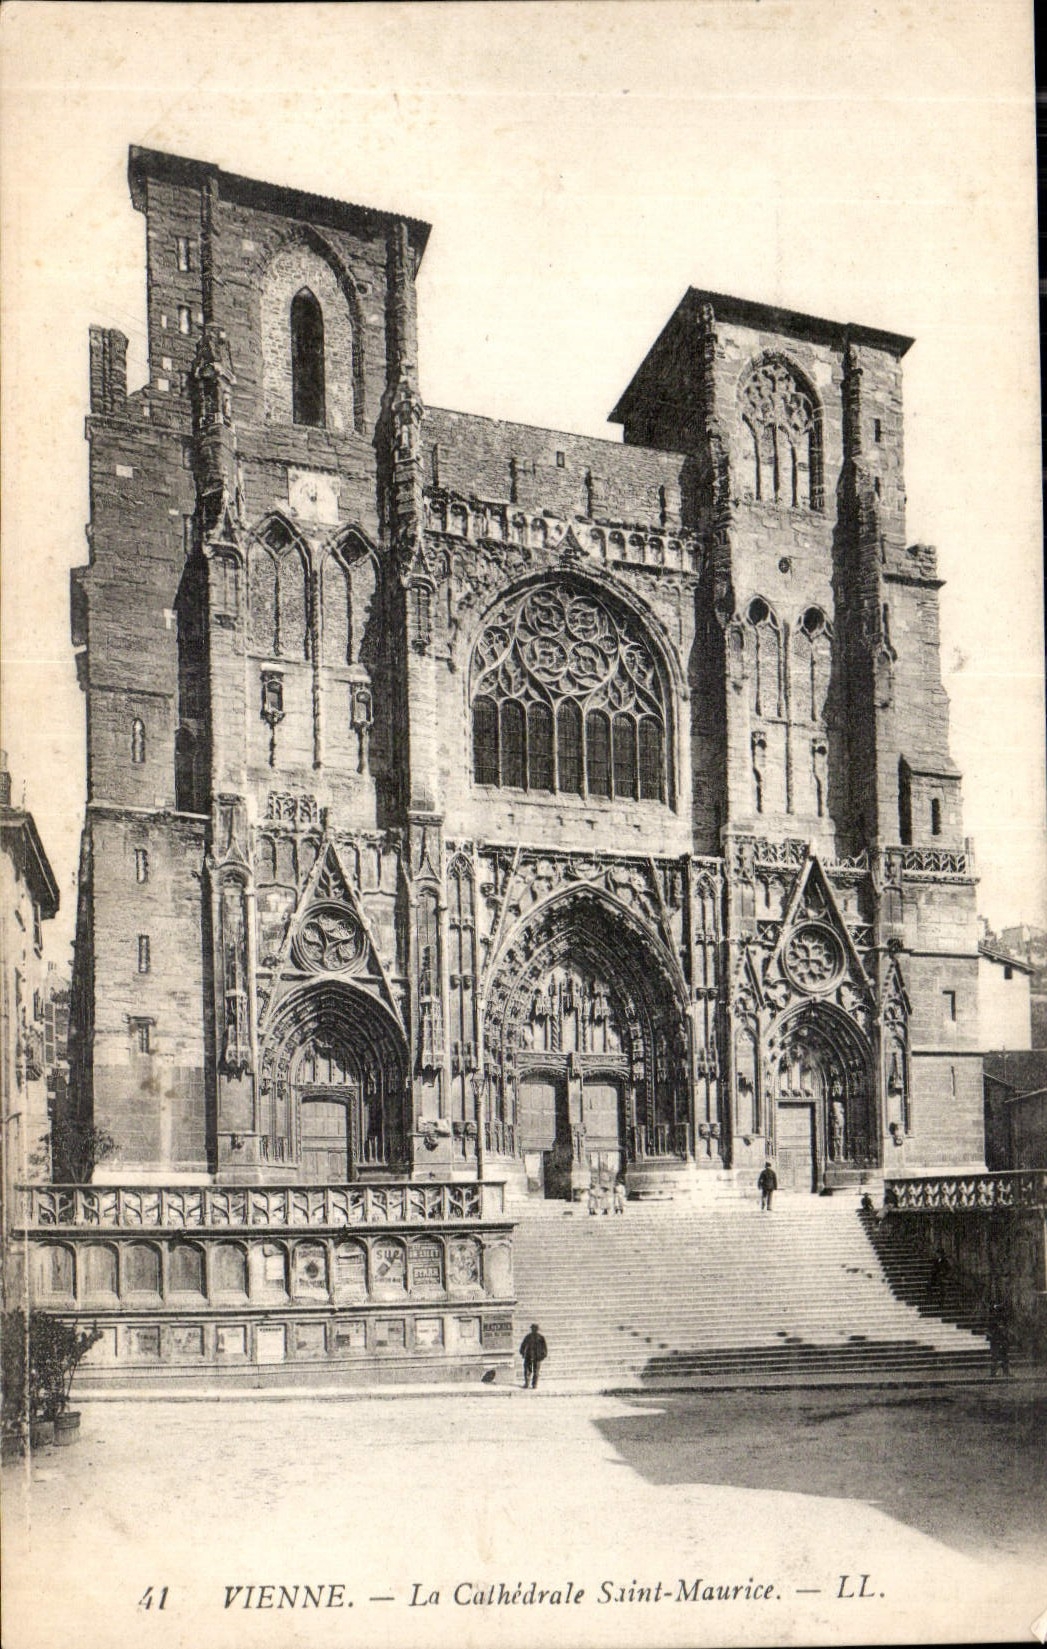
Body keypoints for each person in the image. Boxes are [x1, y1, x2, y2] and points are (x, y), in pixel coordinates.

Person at [520, 1323, 548, 1389]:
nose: (534, 1330)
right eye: (533, 1329)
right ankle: (528, 1383)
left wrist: (543, 1356)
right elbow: (523, 1346)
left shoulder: (541, 1338)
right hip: (529, 1356)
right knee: (528, 1370)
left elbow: (544, 1348)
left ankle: (534, 1384)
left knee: (535, 1371)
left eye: (535, 1329)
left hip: (537, 1357)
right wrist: (522, 1353)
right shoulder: (528, 1337)